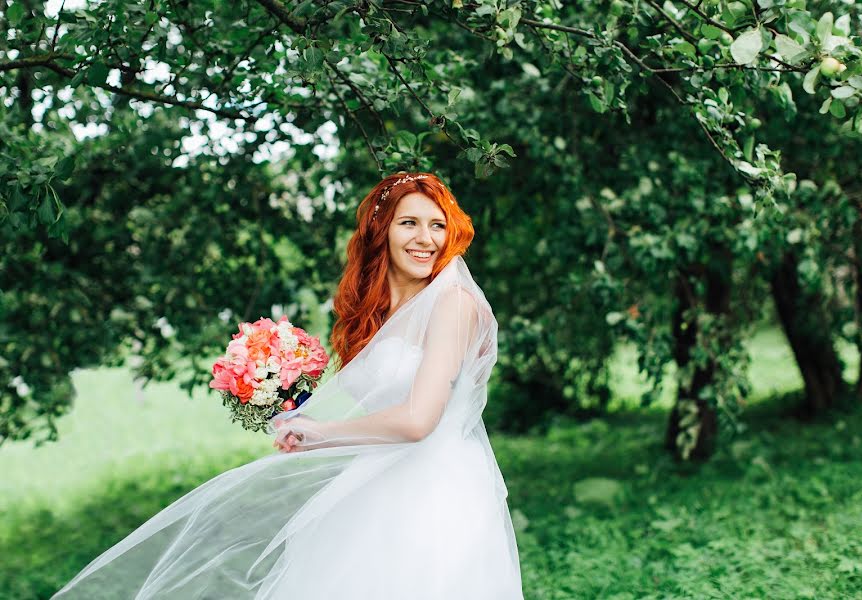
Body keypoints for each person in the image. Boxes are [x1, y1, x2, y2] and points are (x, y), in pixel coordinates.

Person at [53, 172, 525, 599]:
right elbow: (381, 413)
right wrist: (292, 410)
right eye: (409, 224)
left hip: (434, 494)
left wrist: (319, 432)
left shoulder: (453, 305)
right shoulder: (381, 317)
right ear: (382, 232)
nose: (425, 238)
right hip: (375, 482)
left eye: (437, 225)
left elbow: (419, 420)